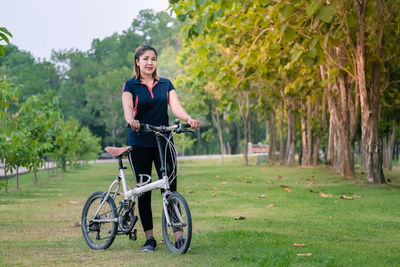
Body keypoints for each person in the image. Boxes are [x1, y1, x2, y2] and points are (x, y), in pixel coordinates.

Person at [122, 45, 200, 252]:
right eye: (145, 59)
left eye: (153, 59)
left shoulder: (165, 84)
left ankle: (179, 236)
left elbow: (175, 107)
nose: (150, 63)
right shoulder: (130, 85)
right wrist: (131, 120)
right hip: (139, 142)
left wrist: (188, 118)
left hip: (164, 141)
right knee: (144, 190)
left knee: (170, 188)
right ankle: (149, 238)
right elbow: (128, 108)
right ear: (137, 61)